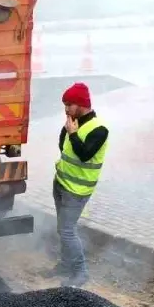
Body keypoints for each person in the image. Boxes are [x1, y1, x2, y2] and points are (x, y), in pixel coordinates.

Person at [48, 82, 109, 288]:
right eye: (65, 104)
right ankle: (65, 265)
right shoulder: (71, 122)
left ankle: (81, 272)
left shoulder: (100, 130)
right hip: (61, 184)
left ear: (81, 104)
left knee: (67, 230)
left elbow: (84, 155)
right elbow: (62, 145)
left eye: (69, 104)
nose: (66, 109)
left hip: (77, 191)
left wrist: (73, 134)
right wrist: (69, 132)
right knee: (61, 228)